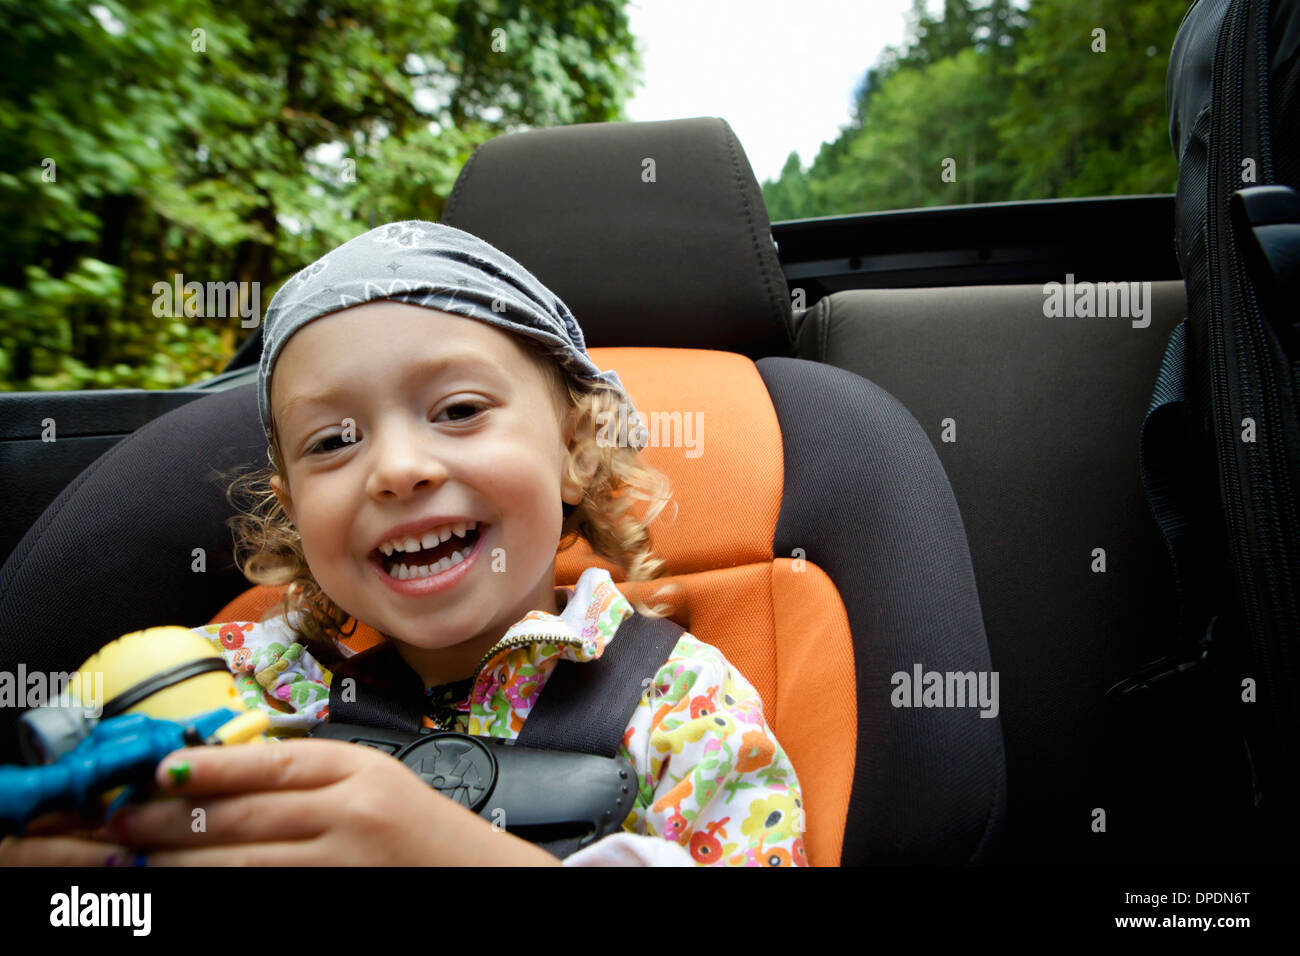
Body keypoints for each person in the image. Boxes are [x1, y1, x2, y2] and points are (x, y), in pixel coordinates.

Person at [0, 220, 806, 867]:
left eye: (458, 410)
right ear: (295, 511)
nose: (398, 469)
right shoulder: (236, 680)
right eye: (332, 442)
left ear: (577, 449)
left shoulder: (686, 713)